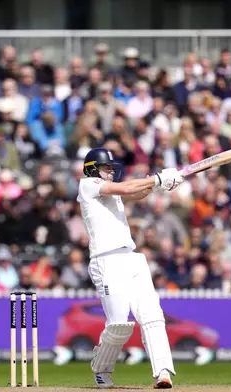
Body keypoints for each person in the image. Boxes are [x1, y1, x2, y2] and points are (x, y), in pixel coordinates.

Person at [77, 147, 182, 389]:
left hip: (132, 258)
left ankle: (163, 372)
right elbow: (126, 188)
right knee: (119, 326)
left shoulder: (111, 192)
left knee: (152, 316)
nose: (111, 173)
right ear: (93, 169)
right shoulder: (88, 185)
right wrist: (156, 179)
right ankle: (101, 370)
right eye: (107, 169)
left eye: (112, 169)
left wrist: (162, 184)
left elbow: (136, 193)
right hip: (106, 261)